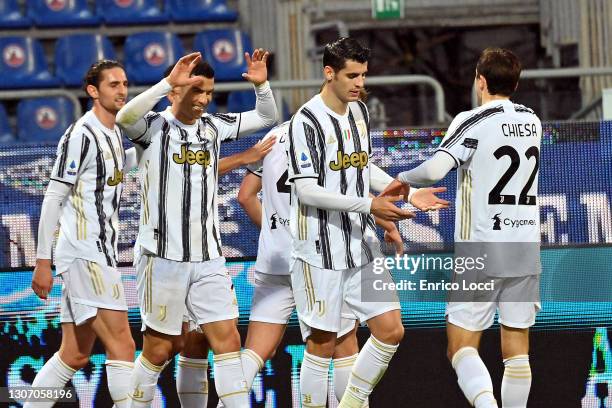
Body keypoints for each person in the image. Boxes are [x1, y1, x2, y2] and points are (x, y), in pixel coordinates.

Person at [286, 37, 449, 408]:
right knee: (323, 342)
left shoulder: (359, 112)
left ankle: (351, 403)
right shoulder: (305, 121)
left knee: (391, 330)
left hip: (361, 244)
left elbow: (364, 167)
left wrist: (406, 193)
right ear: (329, 74)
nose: (360, 83)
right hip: (319, 249)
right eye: (352, 75)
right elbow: (307, 191)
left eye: (363, 75)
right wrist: (370, 205)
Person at [116, 50, 278, 408]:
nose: (204, 100)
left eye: (208, 92)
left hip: (208, 258)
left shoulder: (214, 127)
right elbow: (125, 116)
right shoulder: (153, 129)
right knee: (160, 349)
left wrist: (262, 84)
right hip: (162, 257)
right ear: (176, 92)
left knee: (227, 340)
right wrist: (163, 84)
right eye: (196, 91)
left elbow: (268, 115)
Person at [383, 47, 541, 408]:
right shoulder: (533, 120)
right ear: (515, 83)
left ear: (480, 81)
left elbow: (437, 170)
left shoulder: (471, 119)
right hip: (525, 244)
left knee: (461, 346)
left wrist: (402, 179)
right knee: (516, 347)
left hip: (482, 247)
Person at [234, 119, 404, 407]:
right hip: (319, 254)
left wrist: (275, 232)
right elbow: (340, 196)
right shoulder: (328, 134)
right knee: (339, 345)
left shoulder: (275, 135)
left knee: (256, 351)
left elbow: (245, 196)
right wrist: (385, 219)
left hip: (274, 257)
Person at [29, 60, 137, 408]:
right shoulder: (81, 134)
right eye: (113, 84)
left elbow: (118, 168)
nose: (122, 90)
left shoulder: (113, 132)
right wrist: (42, 261)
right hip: (84, 253)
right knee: (123, 345)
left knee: (74, 354)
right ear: (93, 91)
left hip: (96, 254)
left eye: (124, 83)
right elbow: (52, 198)